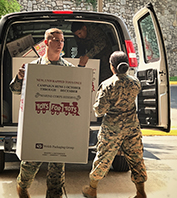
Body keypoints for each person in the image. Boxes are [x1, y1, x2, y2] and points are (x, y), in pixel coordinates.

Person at [10, 28, 73, 198]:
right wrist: (20, 78)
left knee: (56, 177)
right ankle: (22, 189)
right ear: (46, 42)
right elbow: (15, 91)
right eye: (56, 40)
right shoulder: (32, 68)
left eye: (62, 41)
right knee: (28, 168)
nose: (60, 44)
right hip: (37, 127)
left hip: (58, 129)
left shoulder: (70, 69)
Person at [82, 51, 147, 198]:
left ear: (112, 67)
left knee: (103, 158)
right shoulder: (135, 82)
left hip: (112, 129)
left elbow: (99, 111)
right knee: (136, 158)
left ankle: (92, 189)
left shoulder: (107, 85)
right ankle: (141, 192)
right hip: (132, 127)